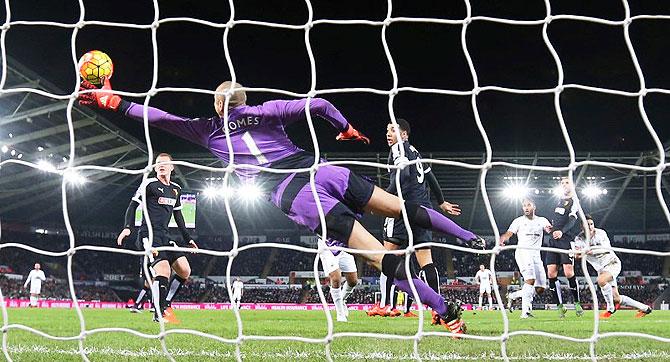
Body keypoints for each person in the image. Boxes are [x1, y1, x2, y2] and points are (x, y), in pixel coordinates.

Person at [79, 79, 487, 333]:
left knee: (378, 257)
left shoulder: (207, 130)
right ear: (244, 101)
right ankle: (471, 238)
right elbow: (321, 104)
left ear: (220, 105)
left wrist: (109, 100)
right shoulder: (265, 111)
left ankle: (444, 309)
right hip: (323, 170)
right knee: (400, 207)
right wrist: (345, 129)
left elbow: (155, 115)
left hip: (296, 194)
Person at [369, 119, 462, 321]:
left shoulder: (398, 149)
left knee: (387, 257)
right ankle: (440, 309)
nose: (388, 134)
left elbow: (402, 176)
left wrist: (383, 197)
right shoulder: (416, 153)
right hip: (423, 211)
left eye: (393, 130)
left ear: (404, 135)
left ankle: (387, 305)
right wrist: (441, 201)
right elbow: (431, 178)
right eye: (387, 130)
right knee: (426, 262)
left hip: (403, 209)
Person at [116, 152, 199, 323]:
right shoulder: (149, 184)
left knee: (185, 270)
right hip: (148, 235)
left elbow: (179, 217)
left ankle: (166, 302)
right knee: (163, 271)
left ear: (171, 167)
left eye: (164, 163)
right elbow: (133, 205)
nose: (160, 165)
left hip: (166, 237)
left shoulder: (176, 189)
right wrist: (127, 228)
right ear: (155, 167)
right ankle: (158, 312)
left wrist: (188, 239)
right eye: (158, 163)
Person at [573, 215, 652, 318]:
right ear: (581, 227)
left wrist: (589, 251)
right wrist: (580, 253)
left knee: (601, 280)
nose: (590, 227)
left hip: (612, 263)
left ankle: (610, 308)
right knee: (616, 298)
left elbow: (606, 249)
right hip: (601, 268)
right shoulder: (579, 239)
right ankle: (645, 308)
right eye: (587, 225)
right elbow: (577, 255)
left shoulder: (601, 233)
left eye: (591, 224)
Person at [499, 198, 552, 318]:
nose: (526, 208)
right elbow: (509, 233)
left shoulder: (542, 220)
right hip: (523, 253)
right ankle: (525, 313)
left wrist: (551, 230)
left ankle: (513, 296)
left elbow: (549, 228)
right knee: (530, 280)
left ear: (534, 207)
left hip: (536, 255)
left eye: (529, 205)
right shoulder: (518, 221)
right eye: (524, 206)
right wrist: (503, 239)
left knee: (540, 288)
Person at [547, 177, 583, 318]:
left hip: (565, 240)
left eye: (567, 182)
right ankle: (559, 306)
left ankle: (577, 302)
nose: (564, 185)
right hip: (553, 240)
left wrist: (562, 231)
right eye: (562, 183)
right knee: (551, 273)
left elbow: (573, 219)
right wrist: (552, 227)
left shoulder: (575, 201)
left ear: (572, 185)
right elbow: (556, 218)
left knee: (568, 272)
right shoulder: (558, 200)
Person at [319, 239, 358, 322]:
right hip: (327, 246)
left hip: (344, 246)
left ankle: (342, 300)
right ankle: (340, 314)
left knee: (353, 281)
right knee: (336, 279)